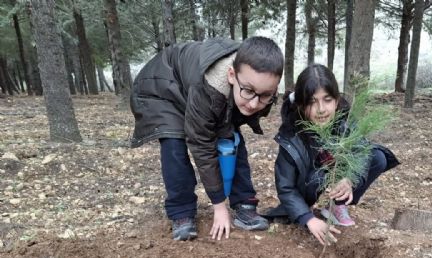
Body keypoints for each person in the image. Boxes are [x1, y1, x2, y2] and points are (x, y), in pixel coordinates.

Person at [130, 37, 283, 241]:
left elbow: (231, 126)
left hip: (199, 90)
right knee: (174, 144)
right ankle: (181, 211)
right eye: (248, 91)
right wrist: (219, 205)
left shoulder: (257, 82)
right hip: (163, 87)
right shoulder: (209, 87)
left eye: (264, 96)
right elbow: (201, 144)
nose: (254, 104)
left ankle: (244, 203)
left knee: (232, 137)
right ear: (231, 75)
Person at [268, 64, 399, 245]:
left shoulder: (344, 120)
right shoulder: (291, 134)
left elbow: (361, 151)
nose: (321, 109)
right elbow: (286, 187)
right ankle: (306, 209)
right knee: (319, 176)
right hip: (308, 184)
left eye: (327, 100)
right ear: (301, 105)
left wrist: (349, 178)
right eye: (312, 102)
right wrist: (308, 218)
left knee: (377, 157)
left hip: (335, 174)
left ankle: (337, 206)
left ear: (336, 101)